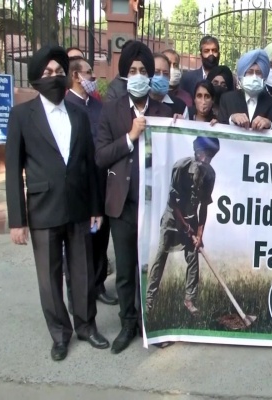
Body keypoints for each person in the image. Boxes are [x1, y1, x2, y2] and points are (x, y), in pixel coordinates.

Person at [5, 45, 109, 361]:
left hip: (78, 206)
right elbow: (13, 168)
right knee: (49, 277)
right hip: (43, 207)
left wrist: (95, 208)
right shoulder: (23, 115)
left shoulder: (78, 113)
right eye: (48, 73)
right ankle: (60, 334)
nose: (54, 77)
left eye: (59, 72)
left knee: (82, 271)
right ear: (37, 78)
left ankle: (86, 325)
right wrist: (16, 220)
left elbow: (89, 165)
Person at [95, 41, 174, 354]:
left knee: (152, 265)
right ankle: (128, 323)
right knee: (126, 270)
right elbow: (101, 155)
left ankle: (149, 322)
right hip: (123, 204)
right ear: (125, 75)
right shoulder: (112, 110)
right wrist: (129, 138)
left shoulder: (164, 111)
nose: (139, 75)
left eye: (144, 71)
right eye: (133, 71)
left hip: (154, 206)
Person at [65, 56, 118, 306]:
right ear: (76, 76)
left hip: (102, 183)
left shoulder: (98, 106)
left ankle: (98, 285)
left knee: (99, 238)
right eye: (89, 74)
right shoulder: (65, 106)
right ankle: (79, 289)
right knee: (79, 242)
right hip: (78, 188)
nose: (93, 79)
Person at [146, 136, 219, 315]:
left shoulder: (210, 174)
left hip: (192, 219)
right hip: (173, 217)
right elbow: (174, 201)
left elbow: (204, 206)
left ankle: (189, 300)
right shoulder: (181, 167)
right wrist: (186, 228)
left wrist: (199, 234)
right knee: (161, 255)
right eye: (204, 155)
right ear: (197, 153)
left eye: (211, 156)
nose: (207, 160)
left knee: (193, 257)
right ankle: (149, 300)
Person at [218, 49, 272, 131]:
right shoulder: (227, 99)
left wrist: (269, 125)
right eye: (250, 72)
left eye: (258, 73)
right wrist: (232, 118)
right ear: (242, 75)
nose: (254, 77)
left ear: (264, 78)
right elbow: (219, 129)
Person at [150, 53, 189, 119]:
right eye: (156, 72)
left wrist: (182, 124)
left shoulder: (181, 106)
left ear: (169, 76)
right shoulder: (141, 104)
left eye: (165, 73)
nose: (161, 77)